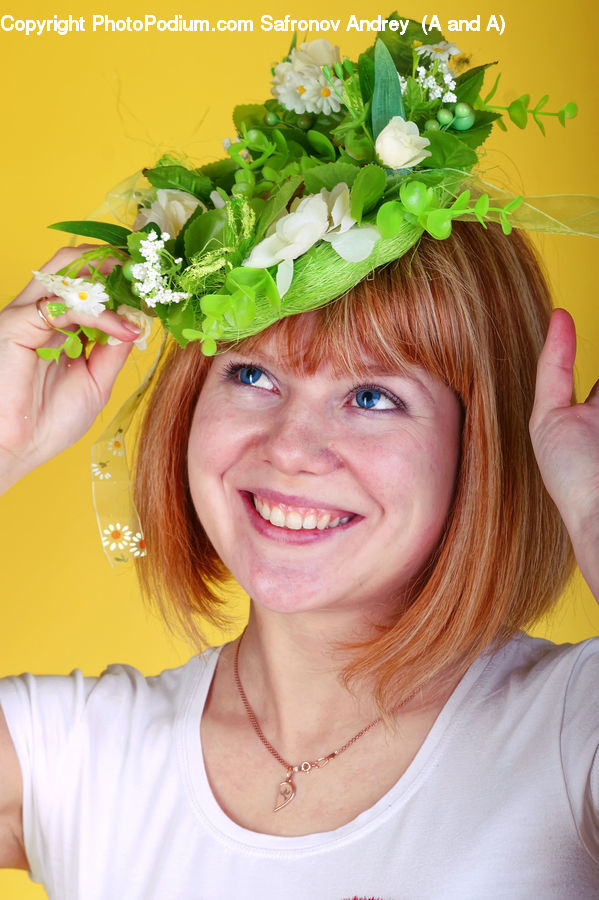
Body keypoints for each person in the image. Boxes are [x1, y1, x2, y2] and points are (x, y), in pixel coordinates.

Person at [1, 25, 598, 899]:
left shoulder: (568, 731)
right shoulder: (77, 755)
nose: (288, 450)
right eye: (250, 374)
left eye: (372, 397)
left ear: (482, 443)